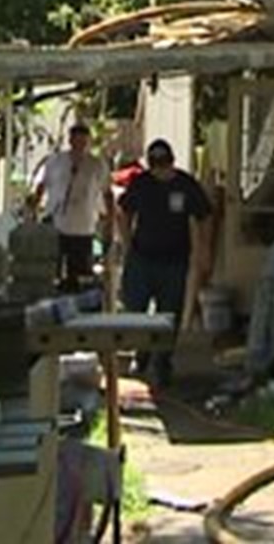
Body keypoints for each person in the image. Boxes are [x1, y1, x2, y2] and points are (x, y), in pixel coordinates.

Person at [116, 138, 213, 387]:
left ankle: (163, 362)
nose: (161, 170)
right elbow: (123, 212)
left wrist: (202, 249)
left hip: (175, 260)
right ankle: (142, 354)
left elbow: (204, 216)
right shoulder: (141, 183)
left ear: (172, 162)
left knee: (170, 313)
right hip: (142, 257)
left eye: (164, 164)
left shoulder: (185, 184)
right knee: (135, 309)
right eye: (156, 165)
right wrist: (126, 244)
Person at [29, 122, 111, 292]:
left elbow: (107, 193)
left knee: (80, 275)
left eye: (84, 141)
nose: (80, 145)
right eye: (76, 140)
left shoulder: (97, 165)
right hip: (57, 224)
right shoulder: (55, 161)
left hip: (84, 228)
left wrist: (108, 221)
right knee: (53, 271)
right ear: (70, 140)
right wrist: (33, 211)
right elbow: (41, 186)